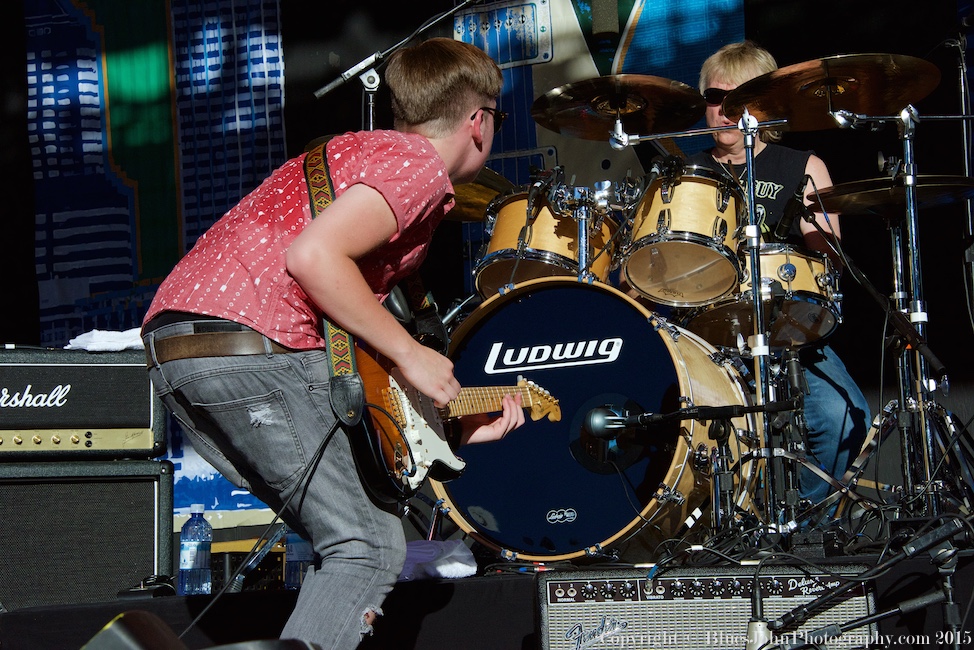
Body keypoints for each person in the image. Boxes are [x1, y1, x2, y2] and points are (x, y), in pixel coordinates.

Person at [141, 37, 525, 649]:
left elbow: (350, 350)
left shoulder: (361, 155)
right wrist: (412, 352)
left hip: (184, 351)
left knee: (352, 532)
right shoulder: (417, 166)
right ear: (478, 123)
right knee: (368, 546)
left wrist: (438, 428)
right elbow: (314, 258)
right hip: (252, 346)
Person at [687, 41, 870, 520]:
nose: (724, 113)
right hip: (707, 332)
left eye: (738, 101)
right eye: (714, 99)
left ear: (765, 105)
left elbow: (826, 257)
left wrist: (822, 231)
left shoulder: (801, 165)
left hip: (787, 331)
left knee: (842, 414)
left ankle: (803, 528)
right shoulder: (686, 175)